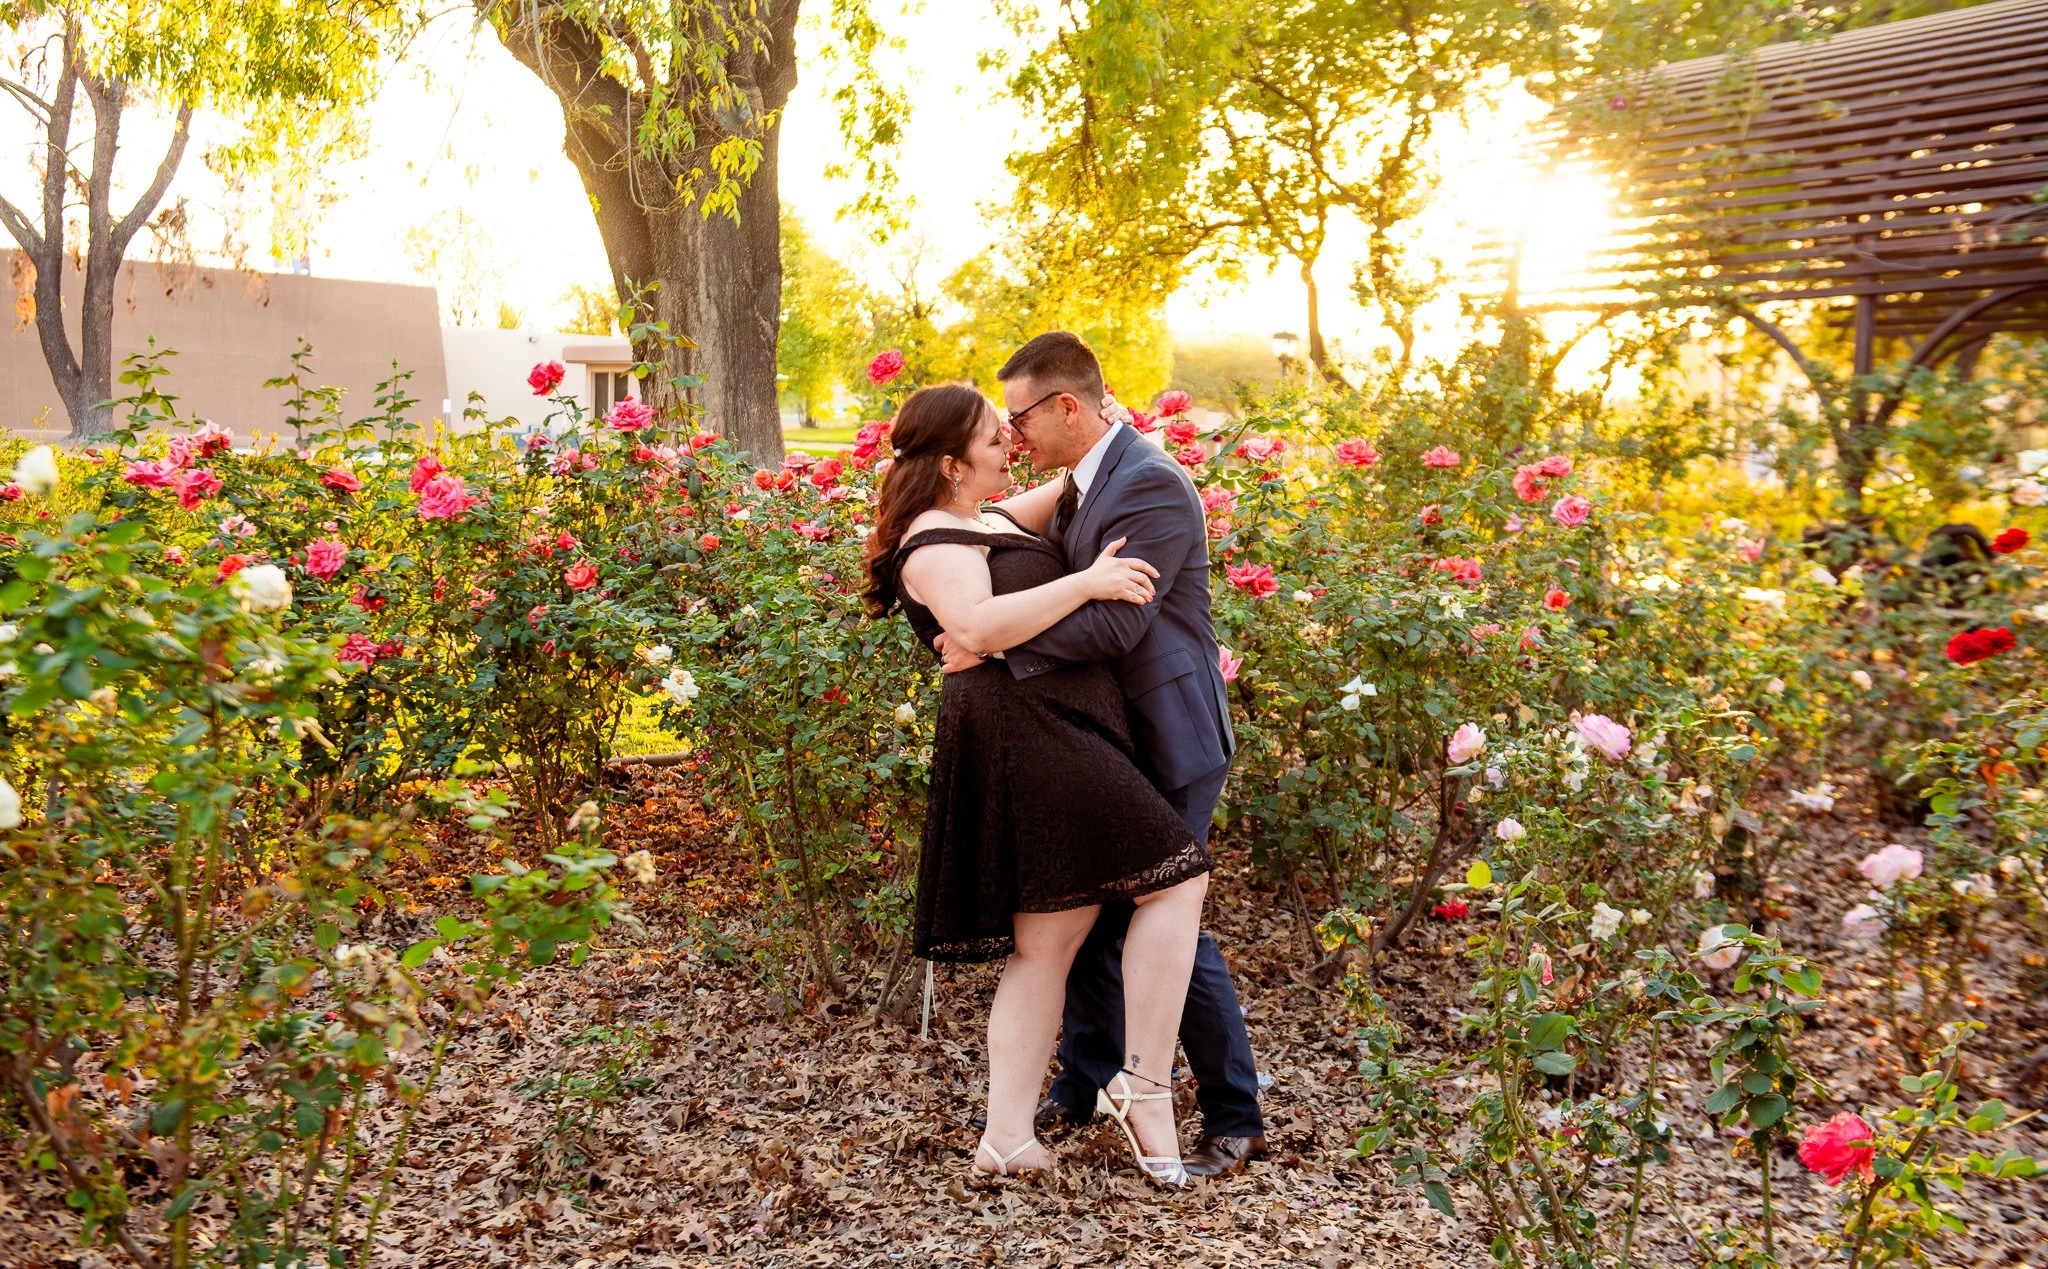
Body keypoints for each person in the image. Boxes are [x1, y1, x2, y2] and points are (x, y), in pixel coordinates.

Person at [861, 382, 1213, 1186]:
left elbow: (1083, 470)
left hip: (1057, 723)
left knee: (1046, 944)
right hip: (1027, 734)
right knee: (1177, 878)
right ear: (952, 463)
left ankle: (1007, 1136)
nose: (1008, 446)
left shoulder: (987, 517)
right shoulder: (933, 536)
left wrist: (1096, 415)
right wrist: (1088, 581)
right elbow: (978, 628)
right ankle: (1143, 1082)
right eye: (993, 439)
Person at [934, 331, 1268, 1177]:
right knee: (1082, 907)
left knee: (1170, 911)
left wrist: (996, 650)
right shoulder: (1081, 486)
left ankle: (1235, 1111)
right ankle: (1085, 1083)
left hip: (1171, 734)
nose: (1014, 439)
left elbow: (1119, 620)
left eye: (1019, 420)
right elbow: (976, 535)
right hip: (1102, 738)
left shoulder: (1150, 483)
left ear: (1067, 407)